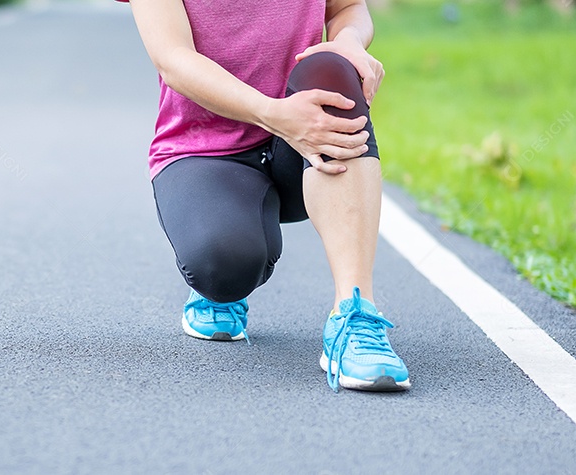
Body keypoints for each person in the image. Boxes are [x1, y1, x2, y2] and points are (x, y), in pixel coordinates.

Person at [123, 0, 410, 391]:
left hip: (303, 143)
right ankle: (222, 281)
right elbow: (173, 58)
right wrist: (273, 113)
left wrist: (349, 42)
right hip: (206, 149)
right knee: (224, 266)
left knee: (333, 69)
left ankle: (355, 315)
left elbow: (348, 9)